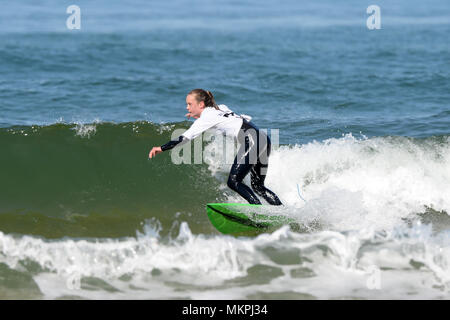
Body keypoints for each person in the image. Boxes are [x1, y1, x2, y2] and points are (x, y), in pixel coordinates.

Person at [149, 89, 282, 206]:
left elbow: (184, 138)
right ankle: (282, 211)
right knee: (258, 186)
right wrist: (196, 114)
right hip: (264, 139)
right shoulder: (220, 107)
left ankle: (258, 211)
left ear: (201, 104)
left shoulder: (205, 118)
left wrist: (161, 148)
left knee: (234, 181)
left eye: (190, 104)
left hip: (252, 141)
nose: (187, 108)